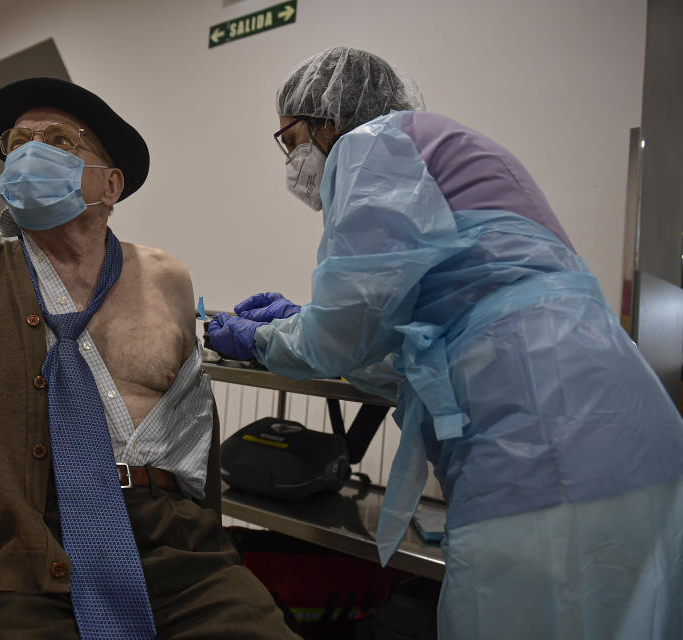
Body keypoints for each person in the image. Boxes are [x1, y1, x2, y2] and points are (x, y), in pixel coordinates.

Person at [208, 46, 683, 639]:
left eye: (292, 136)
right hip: (631, 429)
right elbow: (418, 343)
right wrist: (299, 321)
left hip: (539, 450)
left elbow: (337, 340)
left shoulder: (368, 147)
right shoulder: (445, 148)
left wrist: (263, 339)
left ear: (328, 118)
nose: (294, 159)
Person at [0, 77, 299, 640]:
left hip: (180, 558)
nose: (29, 153)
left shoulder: (165, 281)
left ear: (110, 185)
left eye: (60, 140)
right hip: (15, 555)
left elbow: (196, 432)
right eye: (17, 142)